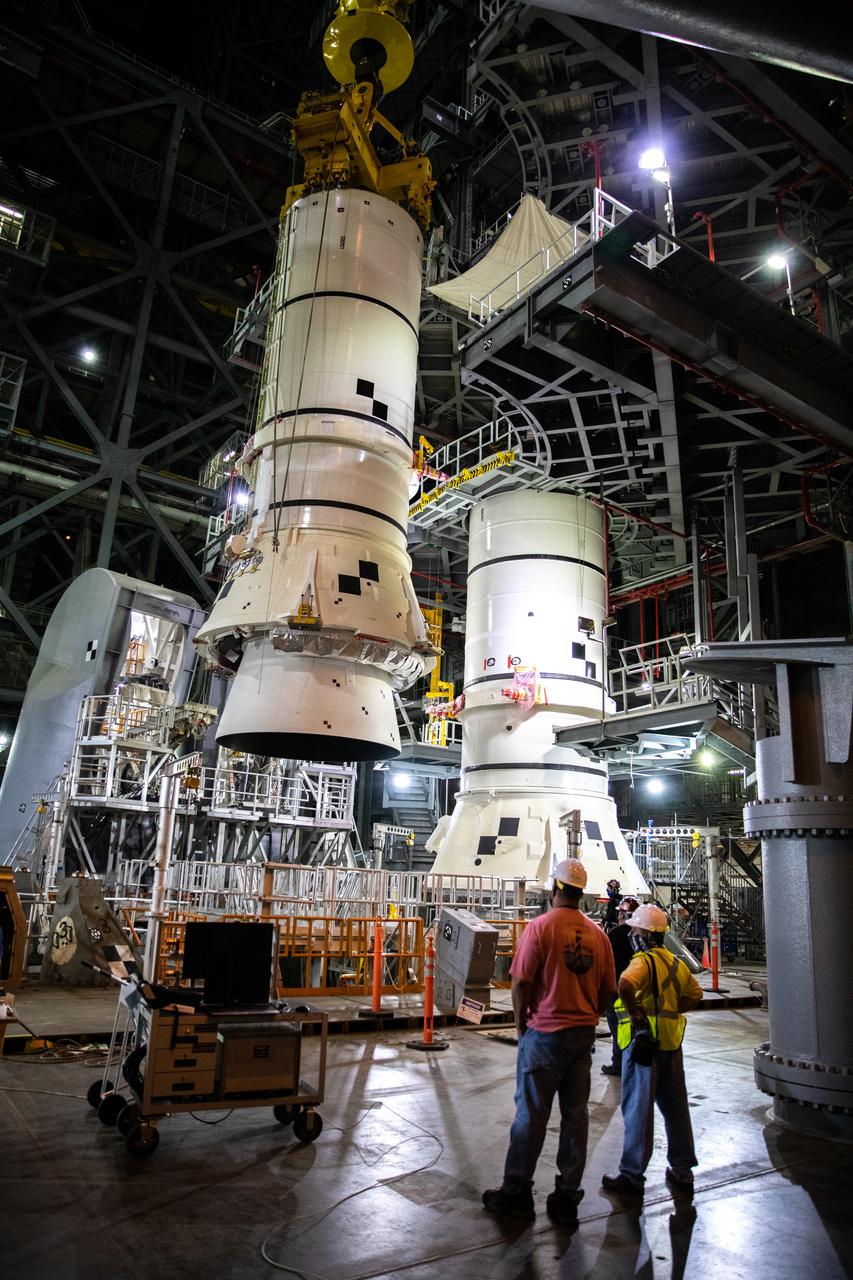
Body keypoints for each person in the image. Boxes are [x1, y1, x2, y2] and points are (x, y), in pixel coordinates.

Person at [482, 858, 617, 1230]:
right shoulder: (599, 936)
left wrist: (521, 1025)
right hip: (582, 1036)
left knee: (531, 1115)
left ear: (555, 889)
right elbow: (610, 989)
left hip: (544, 1034)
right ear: (582, 893)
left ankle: (517, 1194)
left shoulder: (540, 928)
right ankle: (566, 1197)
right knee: (576, 1117)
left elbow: (521, 982)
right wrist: (589, 1014)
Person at [601, 903, 704, 1198]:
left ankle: (632, 1175)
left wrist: (638, 1017)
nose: (632, 932)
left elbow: (624, 984)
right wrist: (670, 1011)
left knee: (638, 1110)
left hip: (645, 1046)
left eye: (635, 928)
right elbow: (694, 994)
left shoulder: (643, 962)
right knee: (676, 1109)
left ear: (645, 933)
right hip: (671, 1044)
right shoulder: (675, 962)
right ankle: (682, 1170)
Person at [601, 894, 639, 1076]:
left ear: (623, 915)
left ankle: (619, 1064)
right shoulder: (641, 936)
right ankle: (630, 1062)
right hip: (636, 990)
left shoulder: (614, 935)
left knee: (618, 1030)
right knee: (632, 1030)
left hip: (616, 991)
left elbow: (604, 964)